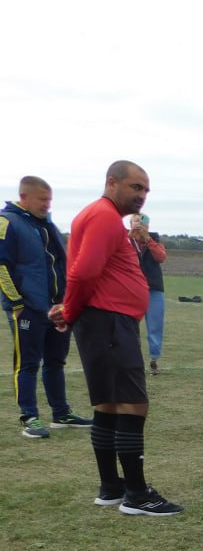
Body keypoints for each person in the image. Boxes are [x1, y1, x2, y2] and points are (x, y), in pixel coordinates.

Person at [49, 160, 183, 515]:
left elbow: (81, 270)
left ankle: (111, 487)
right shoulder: (105, 217)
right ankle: (137, 494)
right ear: (112, 182)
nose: (142, 196)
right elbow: (82, 273)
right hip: (110, 322)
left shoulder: (95, 215)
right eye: (136, 187)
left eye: (146, 190)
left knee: (108, 404)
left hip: (104, 322)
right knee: (132, 404)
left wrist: (71, 309)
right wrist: (71, 310)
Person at [1, 176, 92, 439]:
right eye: (42, 199)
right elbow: (2, 266)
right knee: (28, 364)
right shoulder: (7, 222)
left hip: (56, 309)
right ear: (24, 197)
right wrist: (17, 303)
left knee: (55, 361)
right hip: (28, 309)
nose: (47, 204)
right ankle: (29, 417)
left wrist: (67, 302)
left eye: (49, 200)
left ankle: (61, 414)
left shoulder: (47, 225)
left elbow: (62, 264)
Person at [129, 213, 167, 374]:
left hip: (154, 289)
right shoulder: (125, 241)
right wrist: (129, 238)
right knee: (130, 324)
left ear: (148, 226)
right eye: (136, 221)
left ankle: (154, 359)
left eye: (142, 222)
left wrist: (148, 240)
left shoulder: (155, 241)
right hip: (132, 289)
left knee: (155, 324)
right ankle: (132, 358)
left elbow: (161, 257)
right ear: (130, 224)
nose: (139, 224)